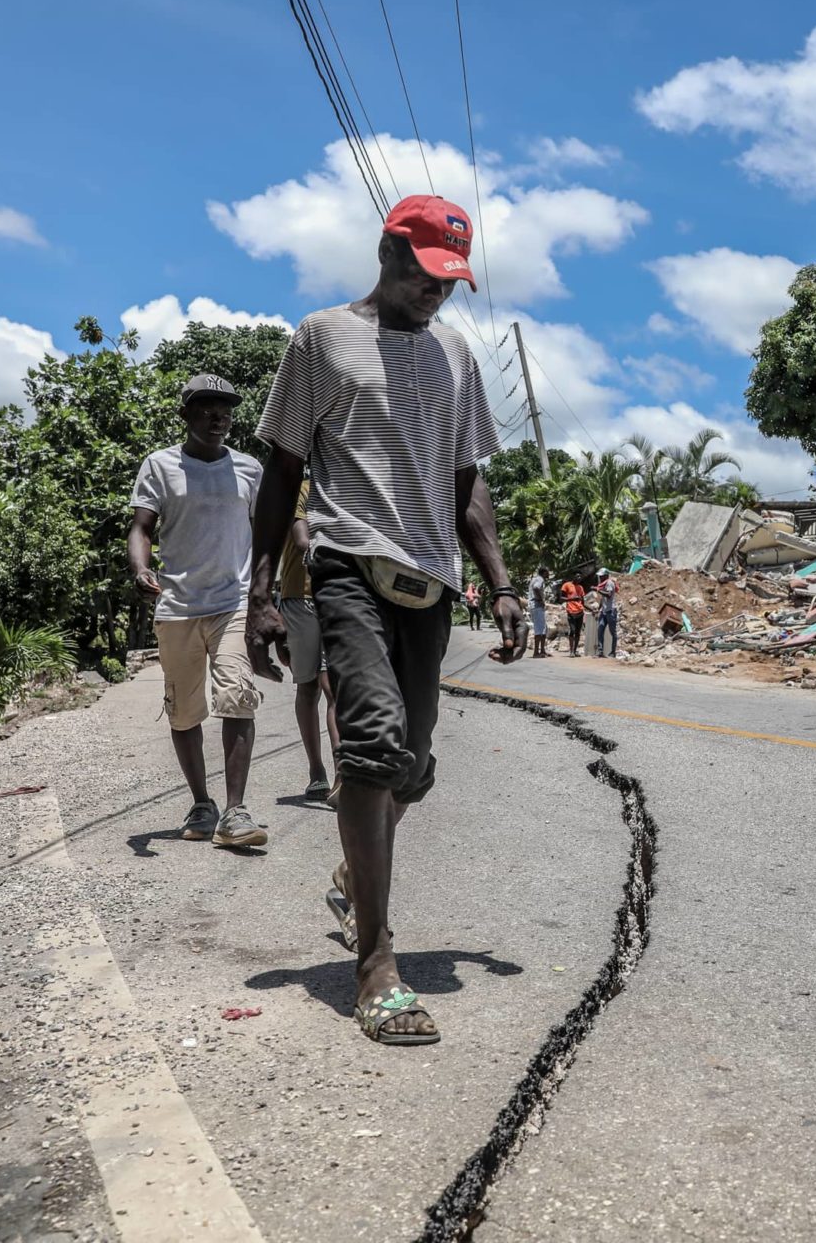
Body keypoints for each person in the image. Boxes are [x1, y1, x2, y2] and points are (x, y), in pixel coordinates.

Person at [246, 193, 525, 1047]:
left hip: (430, 578)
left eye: (450, 279)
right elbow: (283, 470)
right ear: (387, 250)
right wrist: (261, 591)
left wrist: (502, 584)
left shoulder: (455, 355)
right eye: (425, 273)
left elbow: (467, 479)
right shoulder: (322, 338)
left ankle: (351, 875)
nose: (436, 291)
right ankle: (375, 965)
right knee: (370, 745)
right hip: (346, 562)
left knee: (410, 766)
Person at [127, 374, 267, 849]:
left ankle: (235, 811)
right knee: (184, 712)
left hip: (234, 602)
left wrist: (267, 594)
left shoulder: (249, 469)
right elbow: (141, 527)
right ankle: (202, 803)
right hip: (177, 606)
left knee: (238, 696)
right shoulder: (160, 465)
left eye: (225, 409)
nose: (217, 417)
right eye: (206, 408)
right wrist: (141, 569)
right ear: (184, 414)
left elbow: (265, 532)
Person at [276, 477, 338, 802]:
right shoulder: (301, 488)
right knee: (309, 686)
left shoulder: (349, 486)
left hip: (339, 597)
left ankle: (342, 773)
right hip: (299, 599)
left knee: (333, 686)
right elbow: (301, 539)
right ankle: (317, 771)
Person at [593, 567, 619, 657]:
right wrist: (599, 608)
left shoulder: (609, 583)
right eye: (600, 576)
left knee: (613, 632)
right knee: (600, 630)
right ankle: (600, 651)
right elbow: (603, 599)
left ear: (606, 576)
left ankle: (613, 652)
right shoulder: (603, 584)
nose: (600, 578)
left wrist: (597, 590)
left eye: (602, 576)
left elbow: (608, 595)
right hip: (604, 611)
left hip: (611, 611)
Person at [528, 564, 552, 658]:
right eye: (548, 572)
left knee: (543, 628)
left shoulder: (535, 579)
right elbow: (536, 588)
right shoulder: (540, 579)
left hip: (534, 606)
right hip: (537, 605)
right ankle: (536, 652)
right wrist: (541, 600)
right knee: (539, 629)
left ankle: (542, 650)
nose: (548, 574)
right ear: (544, 572)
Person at [561, 574, 586, 656]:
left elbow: (583, 601)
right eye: (577, 576)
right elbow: (561, 598)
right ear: (573, 577)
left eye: (580, 577)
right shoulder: (567, 585)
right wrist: (572, 599)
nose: (579, 578)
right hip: (571, 611)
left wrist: (590, 609)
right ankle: (571, 650)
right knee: (572, 630)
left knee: (578, 632)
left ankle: (574, 651)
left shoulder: (580, 587)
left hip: (580, 612)